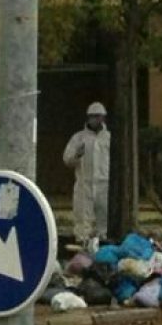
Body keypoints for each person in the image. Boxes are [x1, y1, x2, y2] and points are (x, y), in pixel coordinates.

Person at [63, 102, 110, 245]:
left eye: (100, 117)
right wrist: (77, 155)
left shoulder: (109, 138)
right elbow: (67, 159)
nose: (97, 120)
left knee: (104, 222)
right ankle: (82, 251)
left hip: (104, 185)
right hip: (84, 185)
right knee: (83, 221)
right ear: (88, 118)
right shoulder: (79, 138)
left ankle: (102, 250)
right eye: (94, 117)